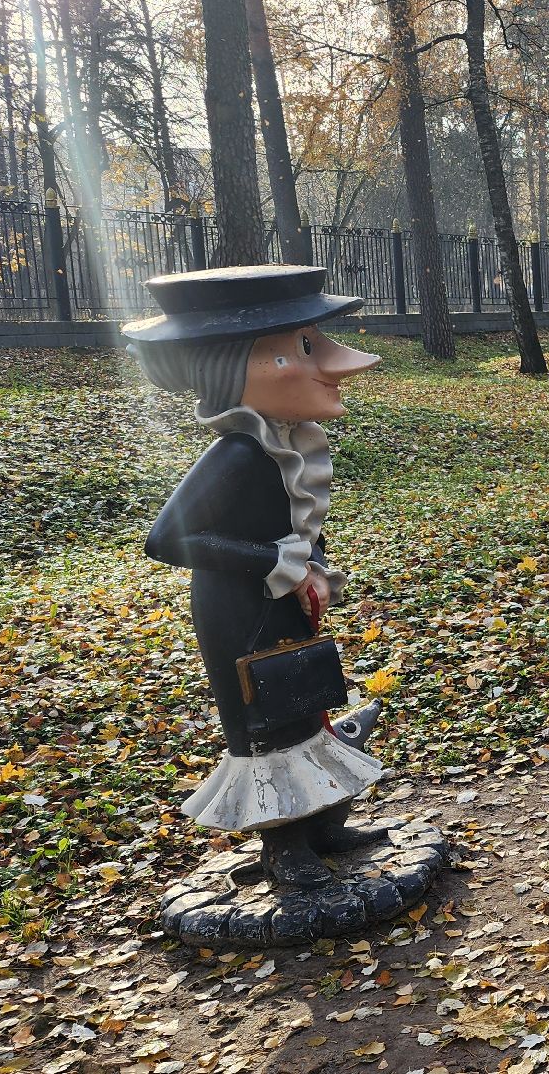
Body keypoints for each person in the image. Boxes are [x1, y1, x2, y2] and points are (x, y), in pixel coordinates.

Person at [125, 264, 388, 889]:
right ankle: (284, 849)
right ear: (238, 371)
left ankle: (324, 824)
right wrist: (275, 563)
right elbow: (167, 539)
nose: (334, 365)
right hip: (238, 613)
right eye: (300, 350)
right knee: (268, 723)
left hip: (284, 602)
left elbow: (297, 523)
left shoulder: (285, 444)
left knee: (311, 707)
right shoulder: (237, 454)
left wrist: (313, 568)